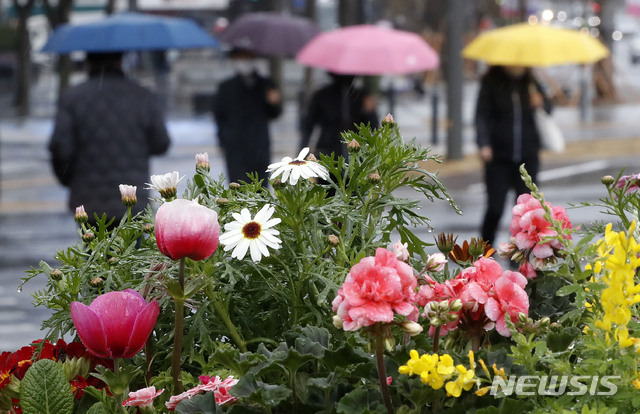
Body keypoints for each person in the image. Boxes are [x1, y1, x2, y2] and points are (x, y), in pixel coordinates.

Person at [49, 52, 171, 227]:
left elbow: (60, 147)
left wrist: (69, 179)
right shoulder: (142, 96)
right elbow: (161, 143)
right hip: (132, 198)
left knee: (94, 250)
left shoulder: (72, 98)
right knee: (131, 251)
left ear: (88, 62)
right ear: (120, 61)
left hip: (89, 200)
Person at [475, 65, 552, 245]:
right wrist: (483, 143)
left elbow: (548, 109)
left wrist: (541, 102)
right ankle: (485, 248)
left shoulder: (532, 83)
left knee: (525, 210)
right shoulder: (491, 83)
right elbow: (481, 116)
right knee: (495, 207)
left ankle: (520, 251)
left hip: (528, 155)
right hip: (498, 157)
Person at [212, 48, 282, 183]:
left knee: (260, 188)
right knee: (238, 188)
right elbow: (219, 116)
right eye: (240, 57)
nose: (243, 61)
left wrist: (274, 103)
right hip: (235, 146)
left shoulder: (266, 84)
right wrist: (223, 140)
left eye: (247, 57)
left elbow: (275, 113)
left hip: (259, 146)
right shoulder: (226, 87)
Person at [300, 72, 378, 160]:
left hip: (356, 149)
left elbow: (373, 126)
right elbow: (308, 125)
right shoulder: (322, 95)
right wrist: (302, 153)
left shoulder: (362, 95)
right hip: (328, 148)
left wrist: (369, 112)